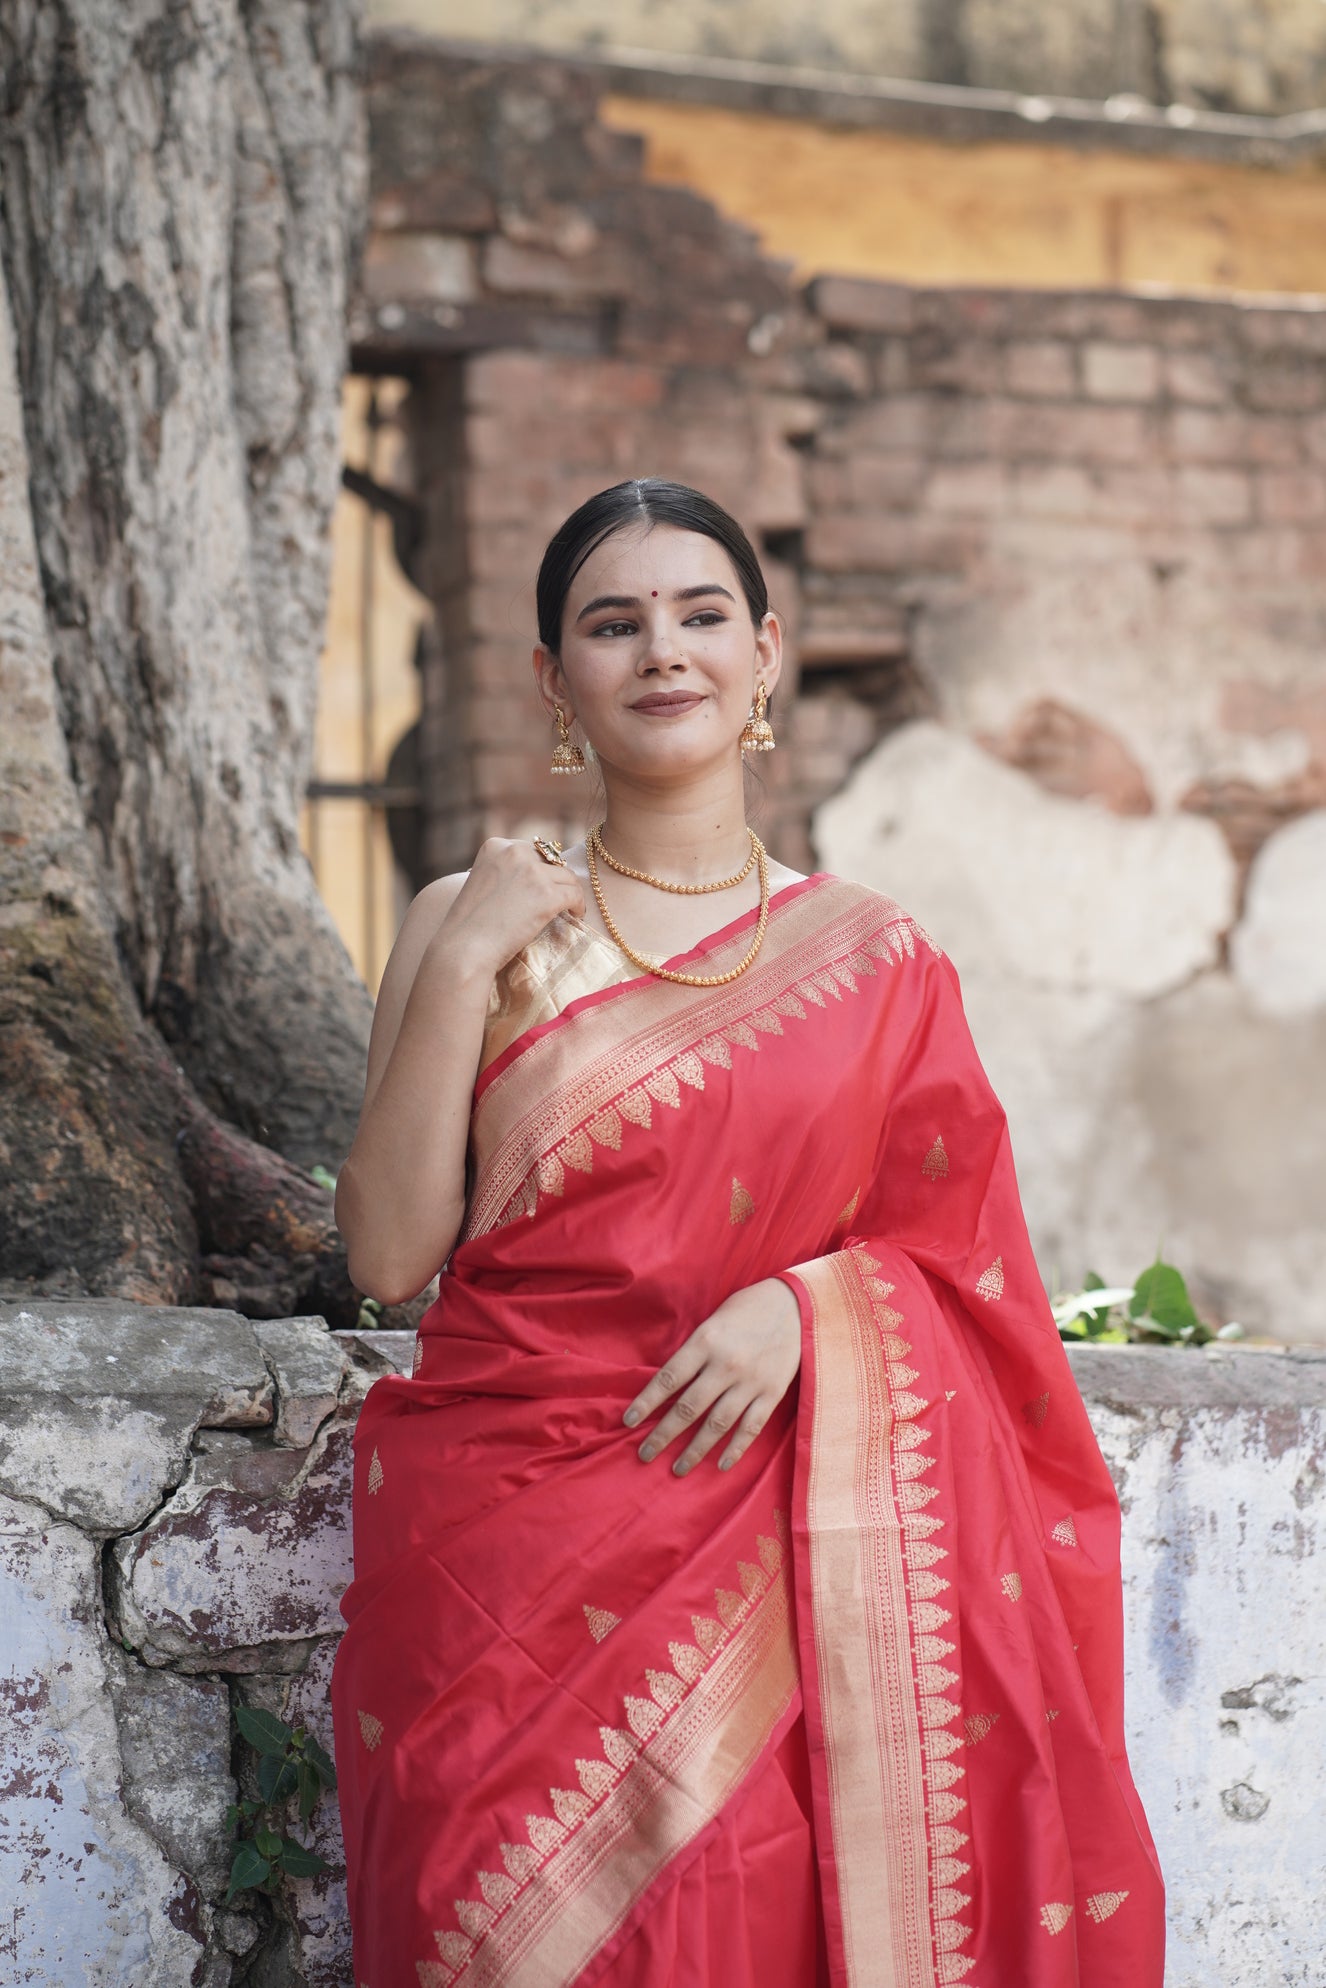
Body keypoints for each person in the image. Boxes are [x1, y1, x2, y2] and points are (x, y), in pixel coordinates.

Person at [330, 478, 1165, 1988]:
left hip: (765, 1566)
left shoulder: (881, 963)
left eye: (701, 614)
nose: (663, 650)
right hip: (494, 1564)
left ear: (764, 652)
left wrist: (816, 1308)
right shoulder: (470, 921)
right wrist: (459, 966)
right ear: (554, 678)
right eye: (613, 624)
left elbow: (967, 1271)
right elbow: (388, 1258)